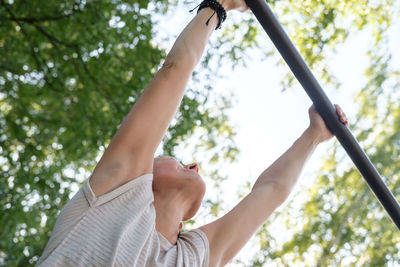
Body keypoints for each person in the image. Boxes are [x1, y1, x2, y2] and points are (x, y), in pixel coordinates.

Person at [36, 0, 349, 266]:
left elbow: (269, 191)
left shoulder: (190, 257)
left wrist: (313, 135)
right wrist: (219, 6)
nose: (193, 164)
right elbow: (175, 69)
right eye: (177, 160)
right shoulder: (119, 190)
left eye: (178, 160)